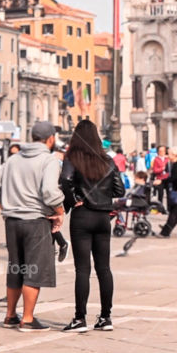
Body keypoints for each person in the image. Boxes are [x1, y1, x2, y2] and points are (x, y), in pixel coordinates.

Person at [0, 121, 64, 331]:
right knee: (34, 268)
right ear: (50, 139)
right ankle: (28, 319)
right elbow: (49, 191)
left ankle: (10, 315)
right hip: (35, 221)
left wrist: (6, 206)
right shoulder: (49, 160)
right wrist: (60, 211)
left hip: (12, 222)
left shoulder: (13, 159)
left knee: (16, 267)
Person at [59, 120, 124, 332]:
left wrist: (74, 198)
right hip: (103, 218)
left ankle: (80, 318)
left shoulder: (73, 158)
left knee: (83, 269)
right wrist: (104, 197)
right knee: (104, 268)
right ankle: (106, 317)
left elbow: (65, 180)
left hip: (83, 216)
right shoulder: (107, 160)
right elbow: (119, 190)